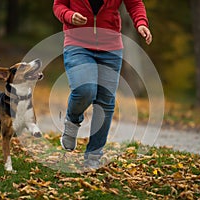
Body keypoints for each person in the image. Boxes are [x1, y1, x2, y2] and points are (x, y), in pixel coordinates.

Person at [53, 0, 152, 168]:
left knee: (105, 102)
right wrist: (69, 16)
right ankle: (72, 121)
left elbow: (135, 4)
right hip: (78, 44)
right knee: (84, 89)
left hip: (110, 48)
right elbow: (58, 5)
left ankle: (93, 157)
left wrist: (141, 23)